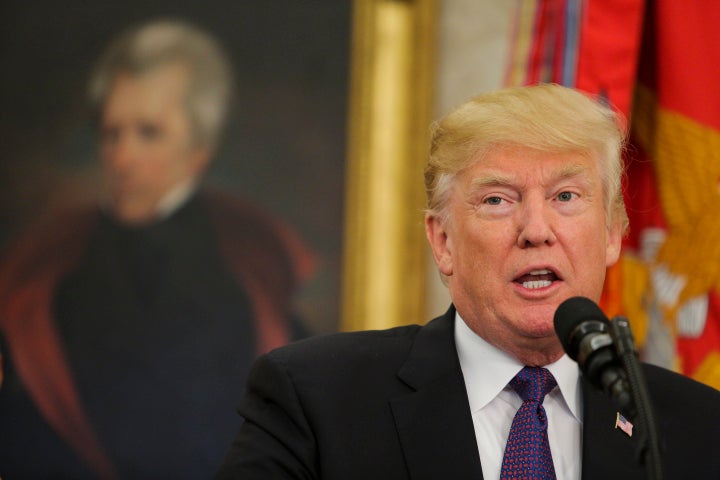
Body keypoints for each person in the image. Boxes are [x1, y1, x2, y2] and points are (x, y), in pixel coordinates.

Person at [215, 84, 720, 479]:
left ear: (613, 233)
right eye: (498, 199)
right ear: (443, 241)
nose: (536, 231)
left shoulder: (695, 427)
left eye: (566, 196)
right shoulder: (316, 400)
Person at [0, 20, 313, 479]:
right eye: (111, 134)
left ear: (200, 146)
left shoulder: (249, 266)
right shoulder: (52, 260)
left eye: (148, 133)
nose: (122, 158)